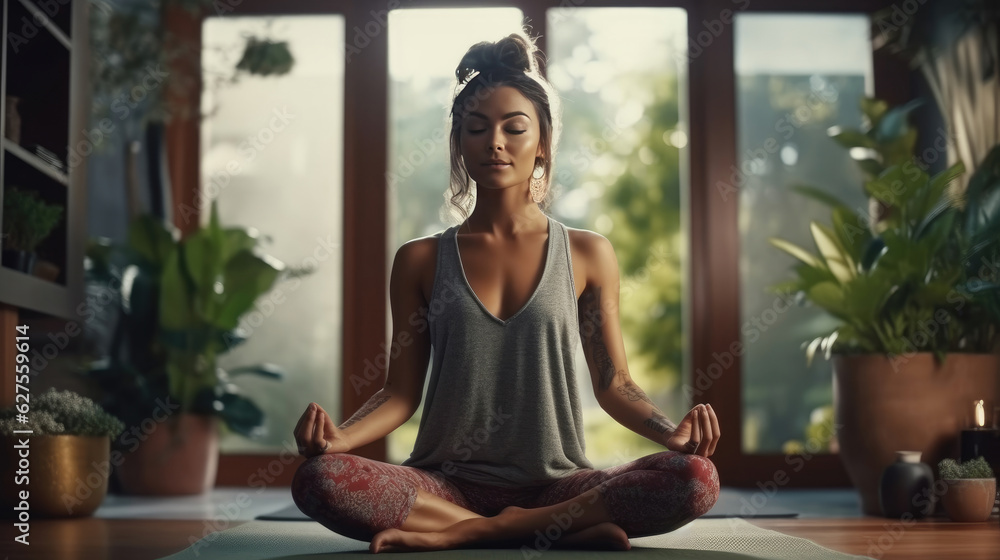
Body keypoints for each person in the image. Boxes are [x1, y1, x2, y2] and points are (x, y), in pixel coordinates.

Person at [291, 29, 720, 554]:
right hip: (441, 485)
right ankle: (556, 530)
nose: (495, 142)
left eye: (514, 128)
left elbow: (614, 383)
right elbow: (400, 392)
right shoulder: (420, 260)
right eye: (476, 128)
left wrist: (669, 432)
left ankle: (476, 533)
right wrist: (339, 440)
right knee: (320, 478)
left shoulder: (587, 253)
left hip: (556, 484)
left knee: (695, 477)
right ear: (459, 144)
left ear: (541, 143)